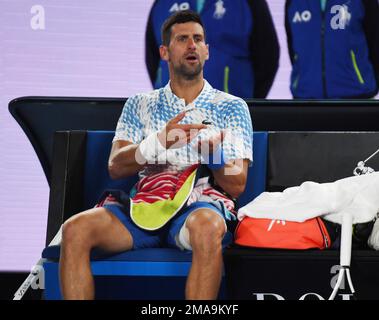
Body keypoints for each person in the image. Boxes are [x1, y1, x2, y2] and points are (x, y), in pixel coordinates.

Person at [59, 10, 253, 300]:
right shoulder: (140, 104)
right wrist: (159, 142)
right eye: (182, 39)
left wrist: (213, 155)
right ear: (164, 51)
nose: (192, 45)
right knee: (74, 230)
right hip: (142, 210)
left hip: (195, 210)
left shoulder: (231, 107)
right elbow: (116, 165)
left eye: (198, 39)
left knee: (209, 227)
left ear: (207, 51)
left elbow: (237, 184)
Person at [146, 0, 280, 98]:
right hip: (172, 116)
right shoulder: (162, 3)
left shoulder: (249, 3)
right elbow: (154, 58)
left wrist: (249, 104)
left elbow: (268, 58)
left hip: (229, 117)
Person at [285, 0, 379, 99]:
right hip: (305, 99)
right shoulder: (293, 2)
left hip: (356, 97)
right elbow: (295, 50)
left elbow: (375, 43)